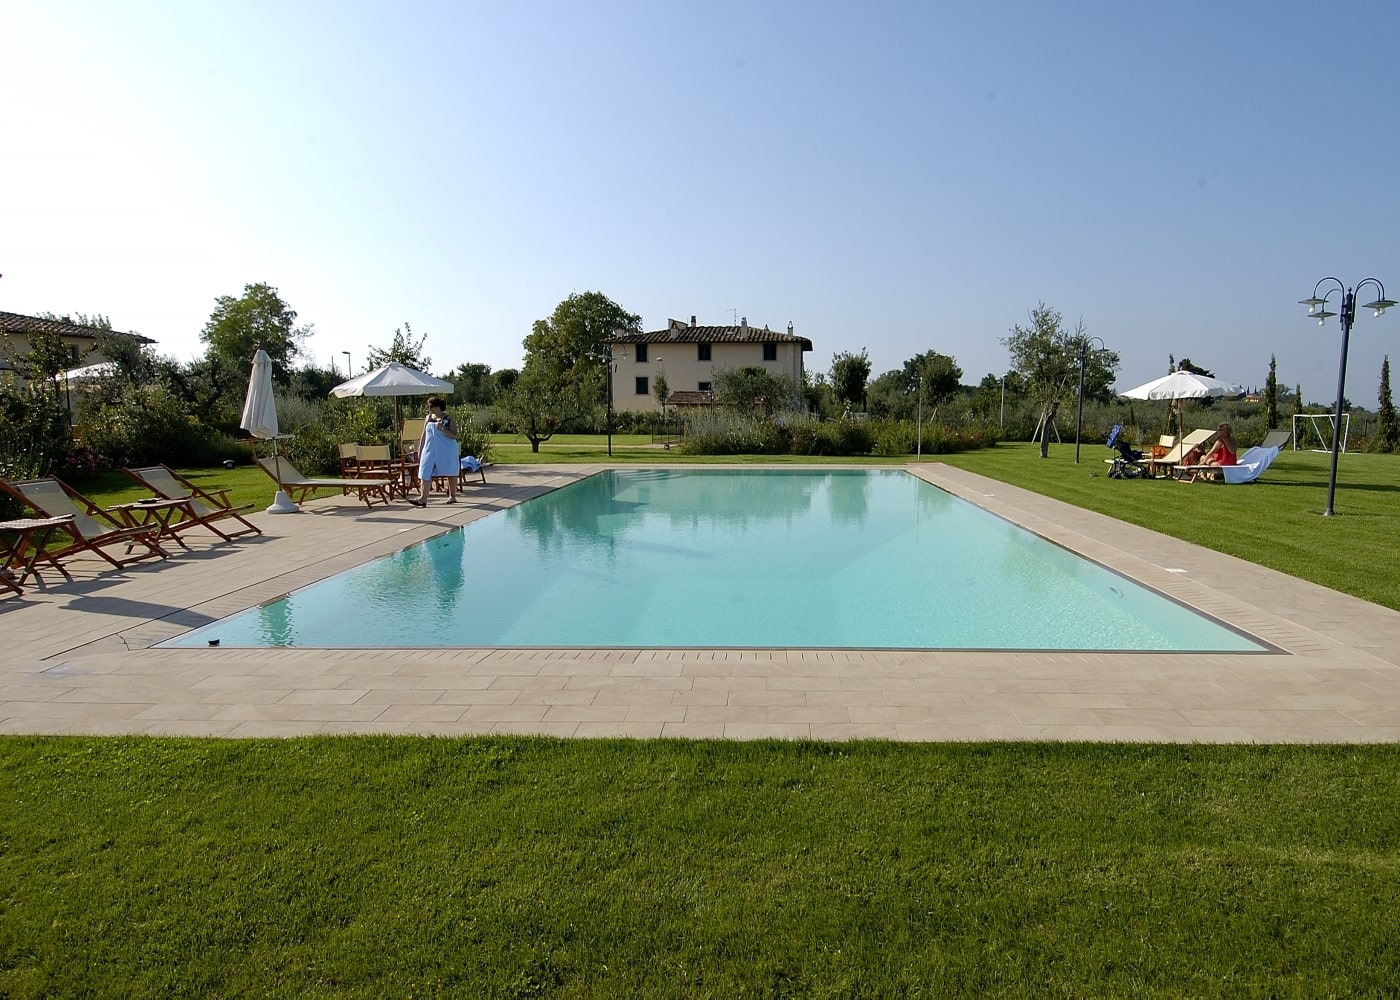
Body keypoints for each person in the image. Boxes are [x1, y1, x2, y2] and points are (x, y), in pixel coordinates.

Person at [408, 396, 458, 506]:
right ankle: (423, 499)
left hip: (446, 449)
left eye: (431, 406)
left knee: (450, 470)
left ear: (438, 407)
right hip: (429, 449)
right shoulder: (428, 418)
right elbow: (424, 435)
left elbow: (454, 435)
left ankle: (452, 496)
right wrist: (420, 450)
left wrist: (443, 429)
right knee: (425, 471)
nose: (429, 408)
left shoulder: (448, 419)